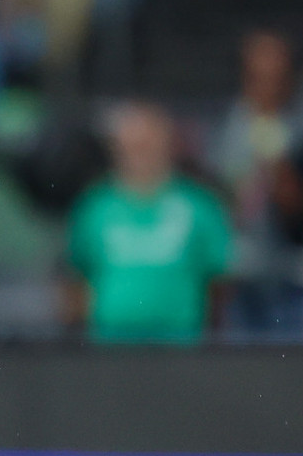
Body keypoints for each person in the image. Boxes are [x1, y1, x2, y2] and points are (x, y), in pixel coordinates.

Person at [68, 102, 233, 344]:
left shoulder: (200, 205)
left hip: (182, 347)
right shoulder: (94, 206)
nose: (139, 155)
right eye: (131, 146)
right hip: (109, 349)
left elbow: (220, 281)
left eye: (147, 145)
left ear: (168, 145)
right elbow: (76, 279)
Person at [212, 30, 303, 339]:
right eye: (256, 76)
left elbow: (298, 209)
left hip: (287, 278)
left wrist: (271, 155)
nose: (265, 86)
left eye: (274, 76)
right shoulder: (229, 123)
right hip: (239, 279)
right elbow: (220, 199)